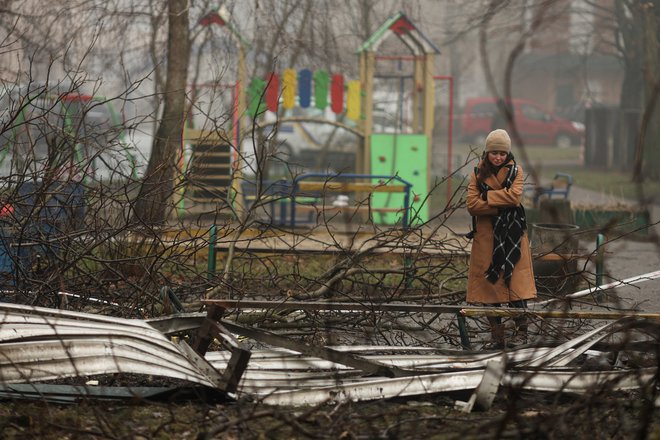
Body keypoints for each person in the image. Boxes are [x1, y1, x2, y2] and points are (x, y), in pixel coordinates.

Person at [466, 129, 536, 349]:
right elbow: (471, 206)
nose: (498, 157)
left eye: (502, 153)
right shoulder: (477, 172)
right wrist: (499, 207)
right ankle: (497, 336)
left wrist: (486, 196)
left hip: (512, 236)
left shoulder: (517, 171)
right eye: (494, 152)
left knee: (515, 285)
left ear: (508, 153)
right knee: (490, 288)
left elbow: (515, 198)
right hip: (487, 238)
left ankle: (521, 334)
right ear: (487, 152)